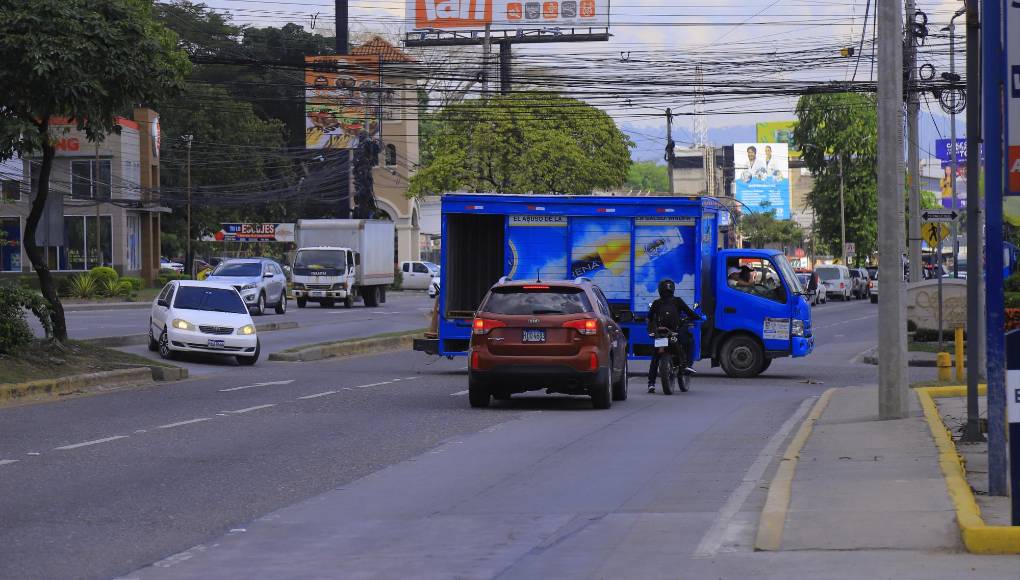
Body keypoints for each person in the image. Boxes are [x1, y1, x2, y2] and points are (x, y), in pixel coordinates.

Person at [646, 278, 700, 393]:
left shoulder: (656, 303)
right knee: (690, 341)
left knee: (655, 357)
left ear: (660, 290)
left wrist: (652, 330)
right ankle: (687, 365)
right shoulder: (678, 301)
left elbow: (649, 318)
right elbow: (690, 313)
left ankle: (651, 384)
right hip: (674, 332)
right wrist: (698, 317)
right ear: (673, 289)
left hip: (660, 333)